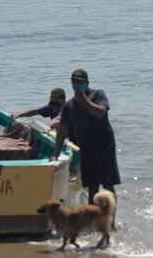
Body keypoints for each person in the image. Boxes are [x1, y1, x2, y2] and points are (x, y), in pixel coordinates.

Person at [53, 69, 120, 220]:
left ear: (87, 83)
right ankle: (93, 223)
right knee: (92, 188)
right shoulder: (69, 106)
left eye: (80, 83)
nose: (77, 85)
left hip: (105, 148)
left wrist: (85, 101)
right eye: (74, 83)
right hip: (87, 151)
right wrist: (55, 155)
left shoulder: (98, 95)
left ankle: (112, 221)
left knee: (108, 186)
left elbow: (101, 113)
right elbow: (62, 132)